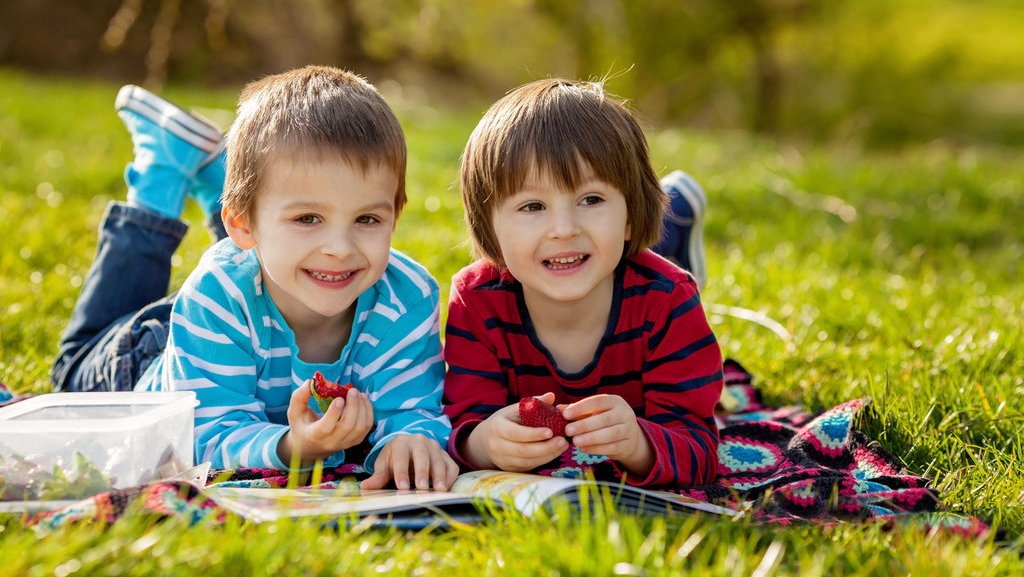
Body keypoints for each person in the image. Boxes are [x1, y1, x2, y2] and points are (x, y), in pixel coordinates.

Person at [51, 65, 458, 491]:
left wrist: (410, 439)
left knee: (273, 241)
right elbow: (204, 436)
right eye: (308, 217)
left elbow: (413, 406)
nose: (341, 247)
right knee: (71, 367)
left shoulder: (406, 296)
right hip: (149, 357)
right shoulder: (216, 295)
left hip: (255, 297)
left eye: (367, 218)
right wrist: (291, 446)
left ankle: (220, 183)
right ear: (241, 225)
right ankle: (159, 176)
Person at [442, 78, 723, 487]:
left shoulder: (669, 300)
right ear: (490, 230)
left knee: (655, 261)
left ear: (629, 215)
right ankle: (668, 214)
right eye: (533, 206)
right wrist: (483, 444)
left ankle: (671, 214)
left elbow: (699, 450)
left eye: (591, 199)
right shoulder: (477, 300)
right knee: (599, 245)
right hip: (605, 253)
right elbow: (459, 423)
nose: (563, 229)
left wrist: (639, 445)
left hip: (642, 272)